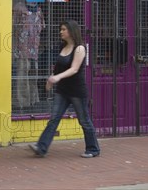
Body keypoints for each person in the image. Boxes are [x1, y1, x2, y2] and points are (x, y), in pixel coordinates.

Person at [29, 20, 100, 158]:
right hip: (62, 90)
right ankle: (41, 147)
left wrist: (57, 78)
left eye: (63, 29)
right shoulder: (62, 47)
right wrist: (51, 79)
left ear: (71, 31)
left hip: (76, 91)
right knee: (54, 118)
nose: (61, 32)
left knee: (84, 120)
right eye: (60, 29)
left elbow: (74, 69)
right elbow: (58, 68)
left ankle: (93, 149)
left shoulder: (80, 48)